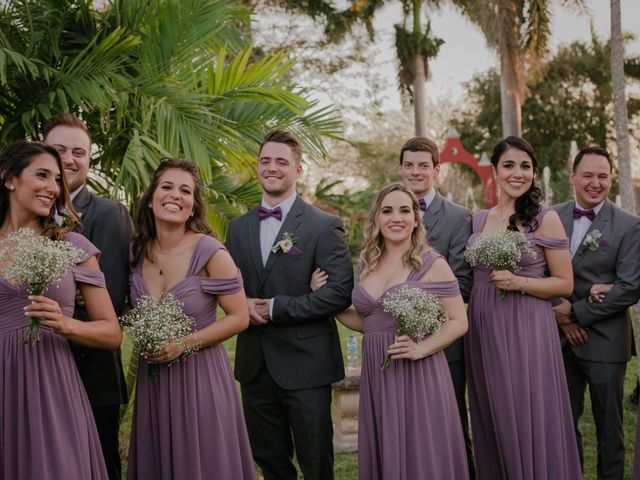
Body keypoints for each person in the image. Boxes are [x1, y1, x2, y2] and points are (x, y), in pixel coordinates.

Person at [317, 182, 469, 479]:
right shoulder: (366, 264)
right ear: (377, 219)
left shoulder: (432, 263)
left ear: (415, 219)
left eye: (404, 210)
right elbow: (370, 323)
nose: (395, 218)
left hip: (418, 372)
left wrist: (420, 348)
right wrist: (326, 300)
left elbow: (458, 321)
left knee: (420, 452)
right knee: (386, 448)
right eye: (387, 211)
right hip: (378, 372)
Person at [226, 130, 353, 480]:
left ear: (298, 169)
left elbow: (339, 292)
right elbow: (227, 287)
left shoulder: (323, 226)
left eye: (281, 161)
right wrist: (241, 304)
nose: (272, 167)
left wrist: (275, 308)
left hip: (306, 366)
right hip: (255, 367)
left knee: (316, 464)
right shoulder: (238, 229)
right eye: (265, 161)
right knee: (270, 463)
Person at [126, 159, 256, 479]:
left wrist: (182, 344)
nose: (175, 195)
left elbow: (239, 317)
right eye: (167, 187)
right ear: (151, 196)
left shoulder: (210, 252)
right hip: (153, 380)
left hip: (200, 379)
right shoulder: (136, 252)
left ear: (193, 205)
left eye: (186, 191)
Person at [0, 140, 122, 479]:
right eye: (42, 175)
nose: (53, 188)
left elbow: (111, 332)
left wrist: (66, 325)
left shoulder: (72, 247)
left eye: (57, 180)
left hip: (51, 388)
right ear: (9, 178)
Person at [465, 136, 581, 479]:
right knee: (494, 412)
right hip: (484, 328)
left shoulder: (545, 218)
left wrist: (520, 283)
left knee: (528, 411)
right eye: (509, 165)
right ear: (495, 171)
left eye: (526, 166)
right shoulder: (478, 220)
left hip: (527, 327)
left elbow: (564, 284)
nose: (518, 173)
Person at [43, 113, 132, 480]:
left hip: (92, 372)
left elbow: (106, 299)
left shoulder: (111, 214)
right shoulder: (20, 214)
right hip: (33, 369)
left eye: (78, 152)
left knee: (99, 467)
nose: (69, 159)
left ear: (88, 159)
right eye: (59, 149)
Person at [552, 146, 640, 480]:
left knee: (608, 429)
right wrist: (557, 316)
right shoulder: (550, 217)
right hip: (558, 341)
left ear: (611, 179)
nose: (595, 182)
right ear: (572, 176)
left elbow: (629, 287)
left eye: (602, 176)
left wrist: (574, 313)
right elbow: (533, 272)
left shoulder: (629, 225)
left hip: (605, 341)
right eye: (587, 175)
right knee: (561, 424)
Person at [397, 136, 475, 477]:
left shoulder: (459, 217)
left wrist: (415, 309)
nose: (416, 172)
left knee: (451, 421)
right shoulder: (385, 211)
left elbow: (464, 283)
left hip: (444, 340)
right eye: (409, 165)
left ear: (436, 171)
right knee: (402, 425)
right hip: (393, 341)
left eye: (423, 166)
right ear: (400, 169)